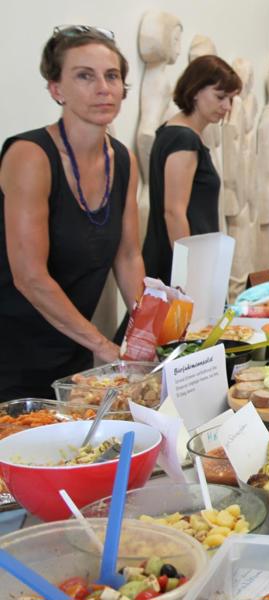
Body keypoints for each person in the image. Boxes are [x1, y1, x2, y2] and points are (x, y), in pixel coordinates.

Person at [0, 26, 145, 400]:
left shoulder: (123, 161)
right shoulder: (30, 155)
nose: (104, 88)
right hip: (11, 349)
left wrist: (148, 332)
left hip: (70, 340)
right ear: (56, 89)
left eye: (112, 76)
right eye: (85, 75)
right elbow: (29, 276)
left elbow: (128, 256)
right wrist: (102, 344)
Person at [141, 55, 241, 284]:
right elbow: (174, 213)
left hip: (182, 260)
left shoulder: (177, 133)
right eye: (220, 97)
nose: (226, 107)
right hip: (180, 267)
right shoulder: (183, 139)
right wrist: (190, 275)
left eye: (231, 100)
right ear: (196, 91)